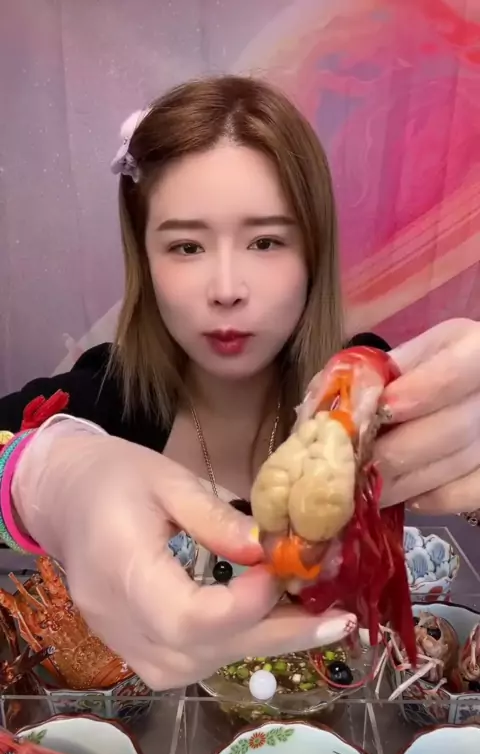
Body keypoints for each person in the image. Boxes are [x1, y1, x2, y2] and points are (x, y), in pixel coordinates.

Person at [1, 76, 479, 691]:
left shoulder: (372, 390)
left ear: (313, 253)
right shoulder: (105, 393)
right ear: (144, 259)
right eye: (186, 247)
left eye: (265, 241)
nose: (226, 288)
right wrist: (47, 475)